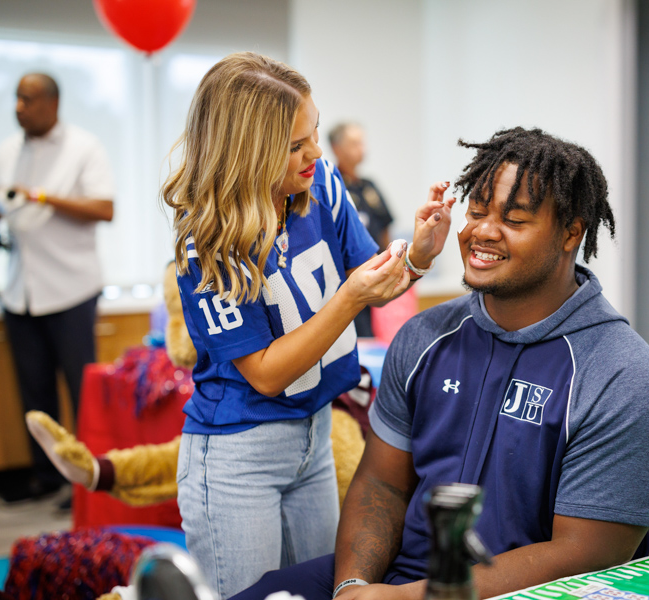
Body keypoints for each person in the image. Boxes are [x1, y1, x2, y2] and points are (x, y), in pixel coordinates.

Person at [231, 127, 649, 600]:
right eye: (477, 211)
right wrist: (353, 586)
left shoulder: (624, 377)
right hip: (399, 577)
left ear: (571, 234)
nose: (482, 231)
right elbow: (381, 484)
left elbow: (585, 556)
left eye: (515, 220)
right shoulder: (425, 337)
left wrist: (409, 598)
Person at [160, 52, 455, 600]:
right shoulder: (209, 244)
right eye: (296, 146)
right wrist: (347, 301)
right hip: (239, 455)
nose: (317, 153)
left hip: (313, 438)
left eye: (315, 132)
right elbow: (267, 375)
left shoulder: (323, 186)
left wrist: (416, 256)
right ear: (249, 153)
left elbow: (375, 276)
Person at [0, 72, 114, 504]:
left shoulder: (84, 147)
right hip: (19, 291)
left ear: (53, 103)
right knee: (35, 392)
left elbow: (104, 207)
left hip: (71, 289)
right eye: (16, 99)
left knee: (81, 391)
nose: (19, 107)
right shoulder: (7, 151)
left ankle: (86, 481)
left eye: (28, 99)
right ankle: (46, 476)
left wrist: (40, 196)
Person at [329, 122, 395, 337]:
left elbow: (385, 227)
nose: (362, 149)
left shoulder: (368, 186)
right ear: (337, 148)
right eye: (355, 143)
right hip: (346, 282)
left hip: (376, 276)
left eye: (362, 143)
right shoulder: (332, 187)